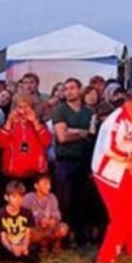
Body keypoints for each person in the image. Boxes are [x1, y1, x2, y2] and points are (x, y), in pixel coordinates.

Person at [91, 91, 132, 263]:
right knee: (120, 215)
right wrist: (131, 156)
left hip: (124, 170)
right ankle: (106, 257)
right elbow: (110, 148)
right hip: (107, 172)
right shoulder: (116, 120)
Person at [50, 78, 96, 247]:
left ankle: (81, 237)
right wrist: (81, 133)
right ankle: (64, 238)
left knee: (82, 200)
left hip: (83, 160)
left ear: (79, 90)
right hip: (65, 160)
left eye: (72, 88)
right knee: (65, 200)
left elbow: (91, 135)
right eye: (66, 89)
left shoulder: (88, 112)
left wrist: (73, 131)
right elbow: (61, 137)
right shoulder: (59, 110)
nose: (68, 91)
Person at [0, 93, 52, 187]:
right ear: (14, 108)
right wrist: (9, 123)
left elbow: (46, 141)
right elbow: (2, 144)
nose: (22, 110)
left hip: (34, 172)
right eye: (19, 107)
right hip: (13, 172)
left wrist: (35, 122)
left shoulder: (39, 124)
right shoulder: (8, 125)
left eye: (26, 106)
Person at [0, 180, 38, 263]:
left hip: (22, 243)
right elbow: (3, 237)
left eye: (20, 197)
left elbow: (27, 234)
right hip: (8, 245)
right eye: (14, 197)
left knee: (31, 257)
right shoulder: (0, 214)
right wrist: (11, 248)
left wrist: (24, 246)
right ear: (6, 197)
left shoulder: (27, 213)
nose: (18, 200)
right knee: (4, 256)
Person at [24, 174, 68, 253]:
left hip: (49, 228)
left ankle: (51, 244)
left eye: (49, 184)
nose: (48, 186)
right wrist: (39, 220)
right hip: (36, 228)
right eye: (45, 183)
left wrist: (53, 220)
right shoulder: (29, 197)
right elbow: (23, 215)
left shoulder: (52, 197)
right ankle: (41, 244)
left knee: (63, 228)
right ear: (36, 185)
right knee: (29, 232)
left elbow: (57, 214)